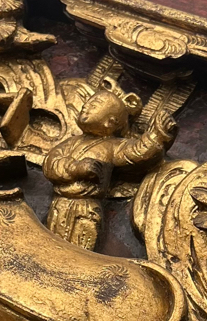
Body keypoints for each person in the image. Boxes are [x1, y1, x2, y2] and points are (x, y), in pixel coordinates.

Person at [43, 76, 175, 250]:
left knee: (81, 251)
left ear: (110, 122)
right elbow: (50, 162)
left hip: (86, 207)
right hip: (59, 203)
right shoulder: (71, 142)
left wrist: (158, 135)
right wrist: (75, 168)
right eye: (87, 103)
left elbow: (137, 151)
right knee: (51, 246)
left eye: (94, 105)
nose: (86, 107)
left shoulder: (112, 146)